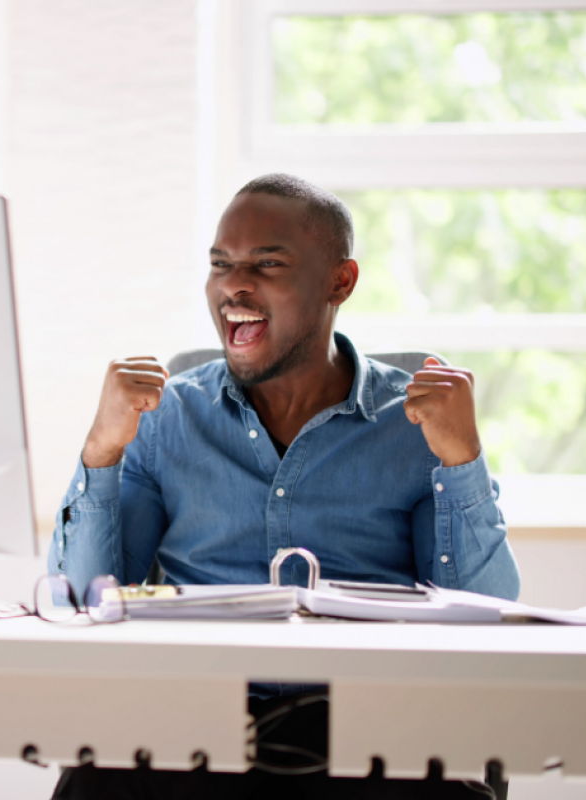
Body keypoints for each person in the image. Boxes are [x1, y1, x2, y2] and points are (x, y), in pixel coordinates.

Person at [47, 174, 520, 800]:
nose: (234, 286)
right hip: (201, 721)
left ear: (339, 282)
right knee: (92, 782)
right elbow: (82, 602)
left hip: (367, 727)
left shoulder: (415, 426)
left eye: (267, 264)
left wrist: (462, 461)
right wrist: (101, 452)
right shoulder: (163, 418)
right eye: (221, 265)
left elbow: (486, 620)